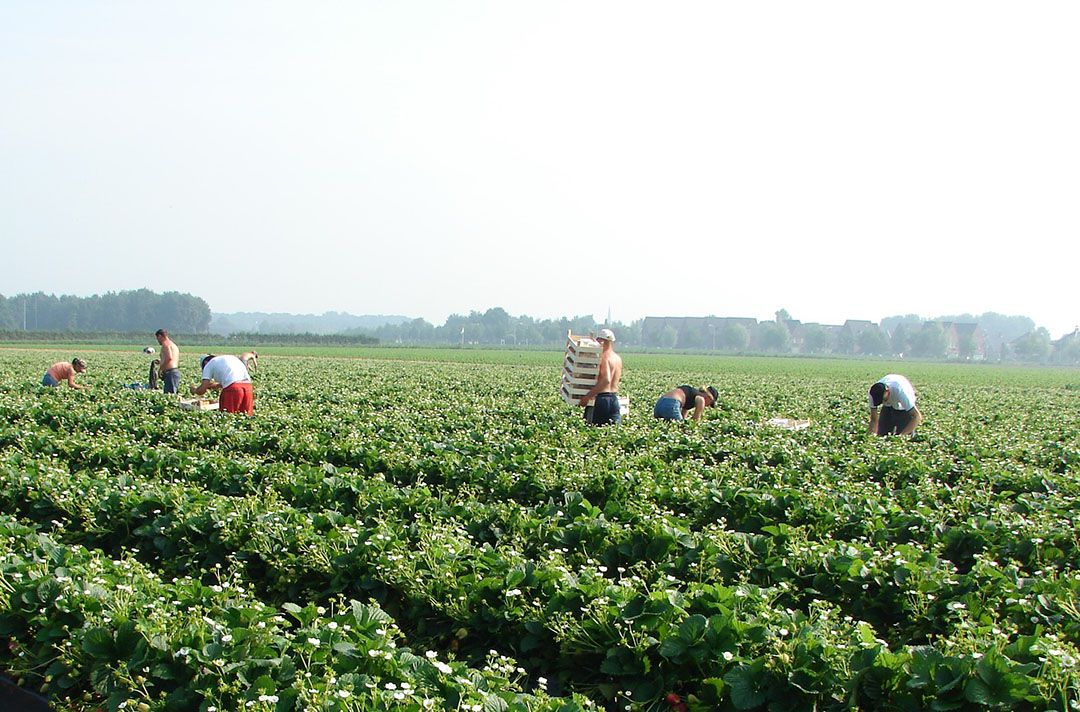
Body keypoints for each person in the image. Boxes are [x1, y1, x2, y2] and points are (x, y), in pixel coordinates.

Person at [577, 328, 623, 425]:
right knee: (613, 431)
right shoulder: (617, 358)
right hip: (614, 398)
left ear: (602, 341)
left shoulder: (603, 357)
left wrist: (587, 397)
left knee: (594, 430)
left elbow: (606, 379)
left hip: (601, 399)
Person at [653, 385, 719, 421]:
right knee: (678, 428)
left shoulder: (690, 394)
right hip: (671, 404)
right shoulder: (701, 399)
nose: (707, 406)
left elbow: (683, 415)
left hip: (659, 404)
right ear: (709, 397)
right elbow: (696, 419)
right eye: (710, 403)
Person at [155, 329, 181, 394]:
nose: (158, 341)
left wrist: (160, 369)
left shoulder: (166, 345)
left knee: (170, 394)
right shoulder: (173, 345)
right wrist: (161, 362)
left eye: (157, 338)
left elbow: (169, 358)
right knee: (172, 394)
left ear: (160, 336)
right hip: (174, 372)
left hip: (170, 373)